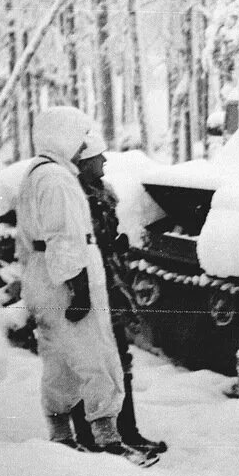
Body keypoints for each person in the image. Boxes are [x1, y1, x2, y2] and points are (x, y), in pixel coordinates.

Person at [14, 106, 155, 467]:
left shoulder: (36, 174)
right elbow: (65, 238)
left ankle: (62, 436)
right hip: (67, 280)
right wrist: (79, 288)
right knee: (98, 359)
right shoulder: (59, 180)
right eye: (78, 135)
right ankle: (108, 441)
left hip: (46, 278)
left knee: (60, 363)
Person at [69, 144, 168, 456]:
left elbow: (108, 234)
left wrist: (116, 243)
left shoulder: (103, 191)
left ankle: (127, 432)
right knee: (92, 363)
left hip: (113, 284)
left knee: (120, 359)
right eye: (99, 157)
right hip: (94, 285)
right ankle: (89, 436)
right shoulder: (74, 196)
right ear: (84, 163)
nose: (105, 160)